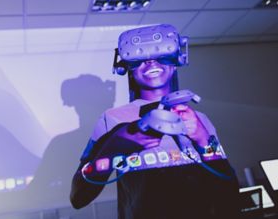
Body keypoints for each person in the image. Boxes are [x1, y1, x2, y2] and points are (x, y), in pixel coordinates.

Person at [70, 24, 240, 219]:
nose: (151, 64)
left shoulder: (199, 119)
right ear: (126, 65)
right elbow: (78, 197)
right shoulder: (112, 119)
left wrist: (202, 139)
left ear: (176, 59)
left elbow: (229, 187)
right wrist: (112, 148)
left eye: (161, 56)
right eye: (140, 59)